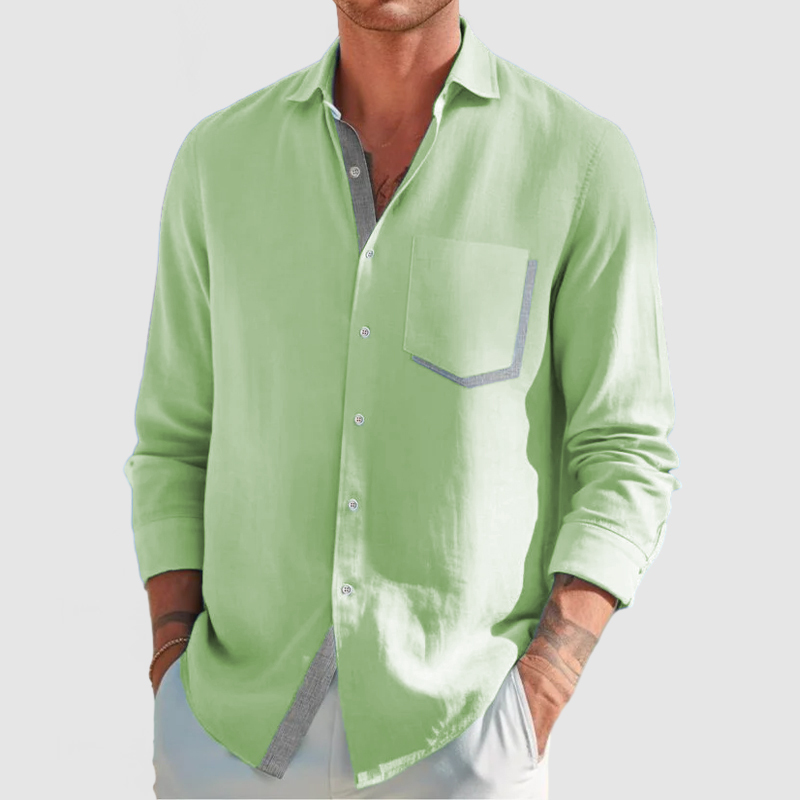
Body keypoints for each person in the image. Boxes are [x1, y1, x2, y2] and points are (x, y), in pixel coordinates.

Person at [123, 1, 681, 797]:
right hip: (228, 739)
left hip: (460, 739)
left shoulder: (580, 162)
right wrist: (172, 676)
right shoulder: (217, 162)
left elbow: (627, 451)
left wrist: (538, 697)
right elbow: (174, 441)